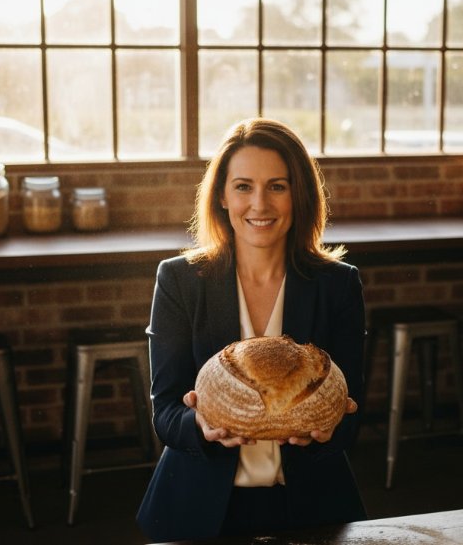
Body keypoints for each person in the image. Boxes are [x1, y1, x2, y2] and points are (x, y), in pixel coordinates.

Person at [136, 118, 367, 541]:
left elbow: (352, 410)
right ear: (222, 196)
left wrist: (330, 428)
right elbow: (167, 411)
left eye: (277, 186)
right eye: (243, 186)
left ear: (299, 195)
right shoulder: (179, 280)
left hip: (313, 506)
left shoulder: (338, 284)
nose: (259, 204)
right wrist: (200, 425)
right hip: (199, 507)